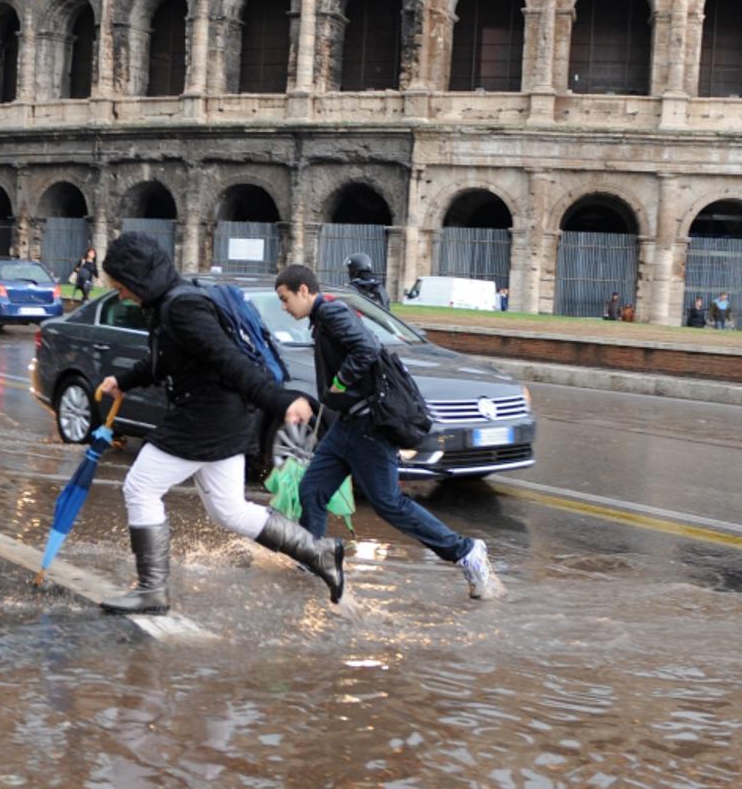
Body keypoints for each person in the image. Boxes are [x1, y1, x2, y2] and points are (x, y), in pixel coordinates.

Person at [95, 233, 346, 613]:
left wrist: (280, 400)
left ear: (138, 277)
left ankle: (152, 590)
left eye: (121, 285)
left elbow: (229, 361)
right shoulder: (173, 302)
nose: (121, 294)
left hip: (205, 418)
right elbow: (166, 362)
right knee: (228, 509)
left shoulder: (182, 308)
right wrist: (124, 381)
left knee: (140, 487)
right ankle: (319, 553)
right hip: (224, 419)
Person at [275, 264, 506, 600]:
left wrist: (340, 382)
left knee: (389, 503)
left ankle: (467, 552)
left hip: (368, 426)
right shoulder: (324, 317)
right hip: (347, 427)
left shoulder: (332, 314)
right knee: (312, 488)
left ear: (304, 291)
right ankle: (315, 559)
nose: (284, 307)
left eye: (285, 299)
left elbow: (366, 349)